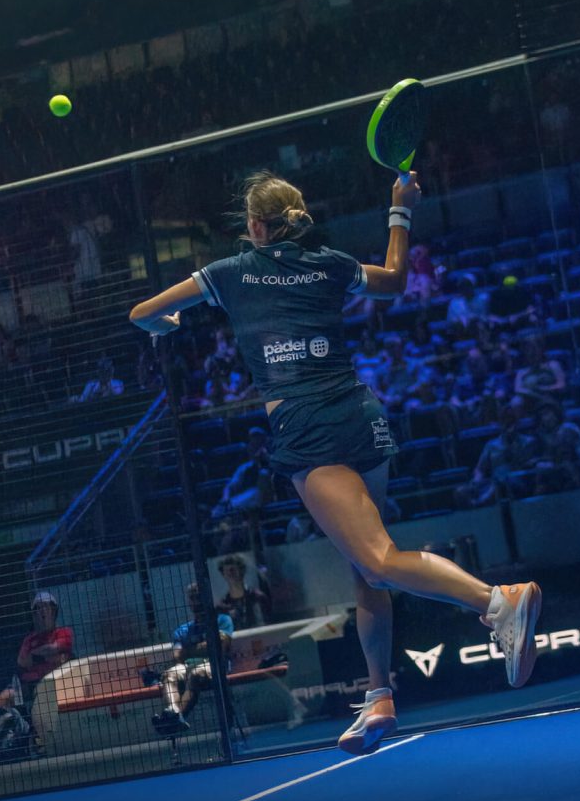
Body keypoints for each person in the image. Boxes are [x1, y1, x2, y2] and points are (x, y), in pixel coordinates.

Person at [130, 170, 542, 756]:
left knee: (377, 560)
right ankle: (379, 696)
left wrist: (165, 323)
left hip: (306, 428)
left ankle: (498, 602)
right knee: (366, 567)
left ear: (253, 226)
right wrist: (399, 207)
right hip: (359, 414)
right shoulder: (329, 264)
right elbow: (394, 281)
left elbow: (141, 312)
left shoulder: (228, 273)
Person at [152, 582, 234, 735]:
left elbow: (218, 647)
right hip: (188, 667)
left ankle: (176, 719)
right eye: (193, 598)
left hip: (216, 665)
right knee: (170, 674)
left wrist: (189, 650)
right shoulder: (182, 630)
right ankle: (174, 712)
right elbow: (177, 656)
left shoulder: (222, 620)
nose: (196, 602)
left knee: (196, 674)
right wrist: (204, 646)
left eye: (199, 597)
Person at [0, 590, 74, 711]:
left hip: (55, 683)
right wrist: (49, 657)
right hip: (31, 685)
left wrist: (34, 655)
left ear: (53, 611)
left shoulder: (64, 632)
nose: (42, 611)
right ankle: (22, 721)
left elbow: (54, 648)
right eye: (38, 608)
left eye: (46, 607)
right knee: (2, 699)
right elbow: (22, 662)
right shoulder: (29, 639)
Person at [216, 554, 271, 629]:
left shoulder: (258, 598)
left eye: (233, 570)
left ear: (242, 570)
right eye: (226, 571)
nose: (230, 573)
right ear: (223, 575)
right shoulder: (222, 607)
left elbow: (268, 625)